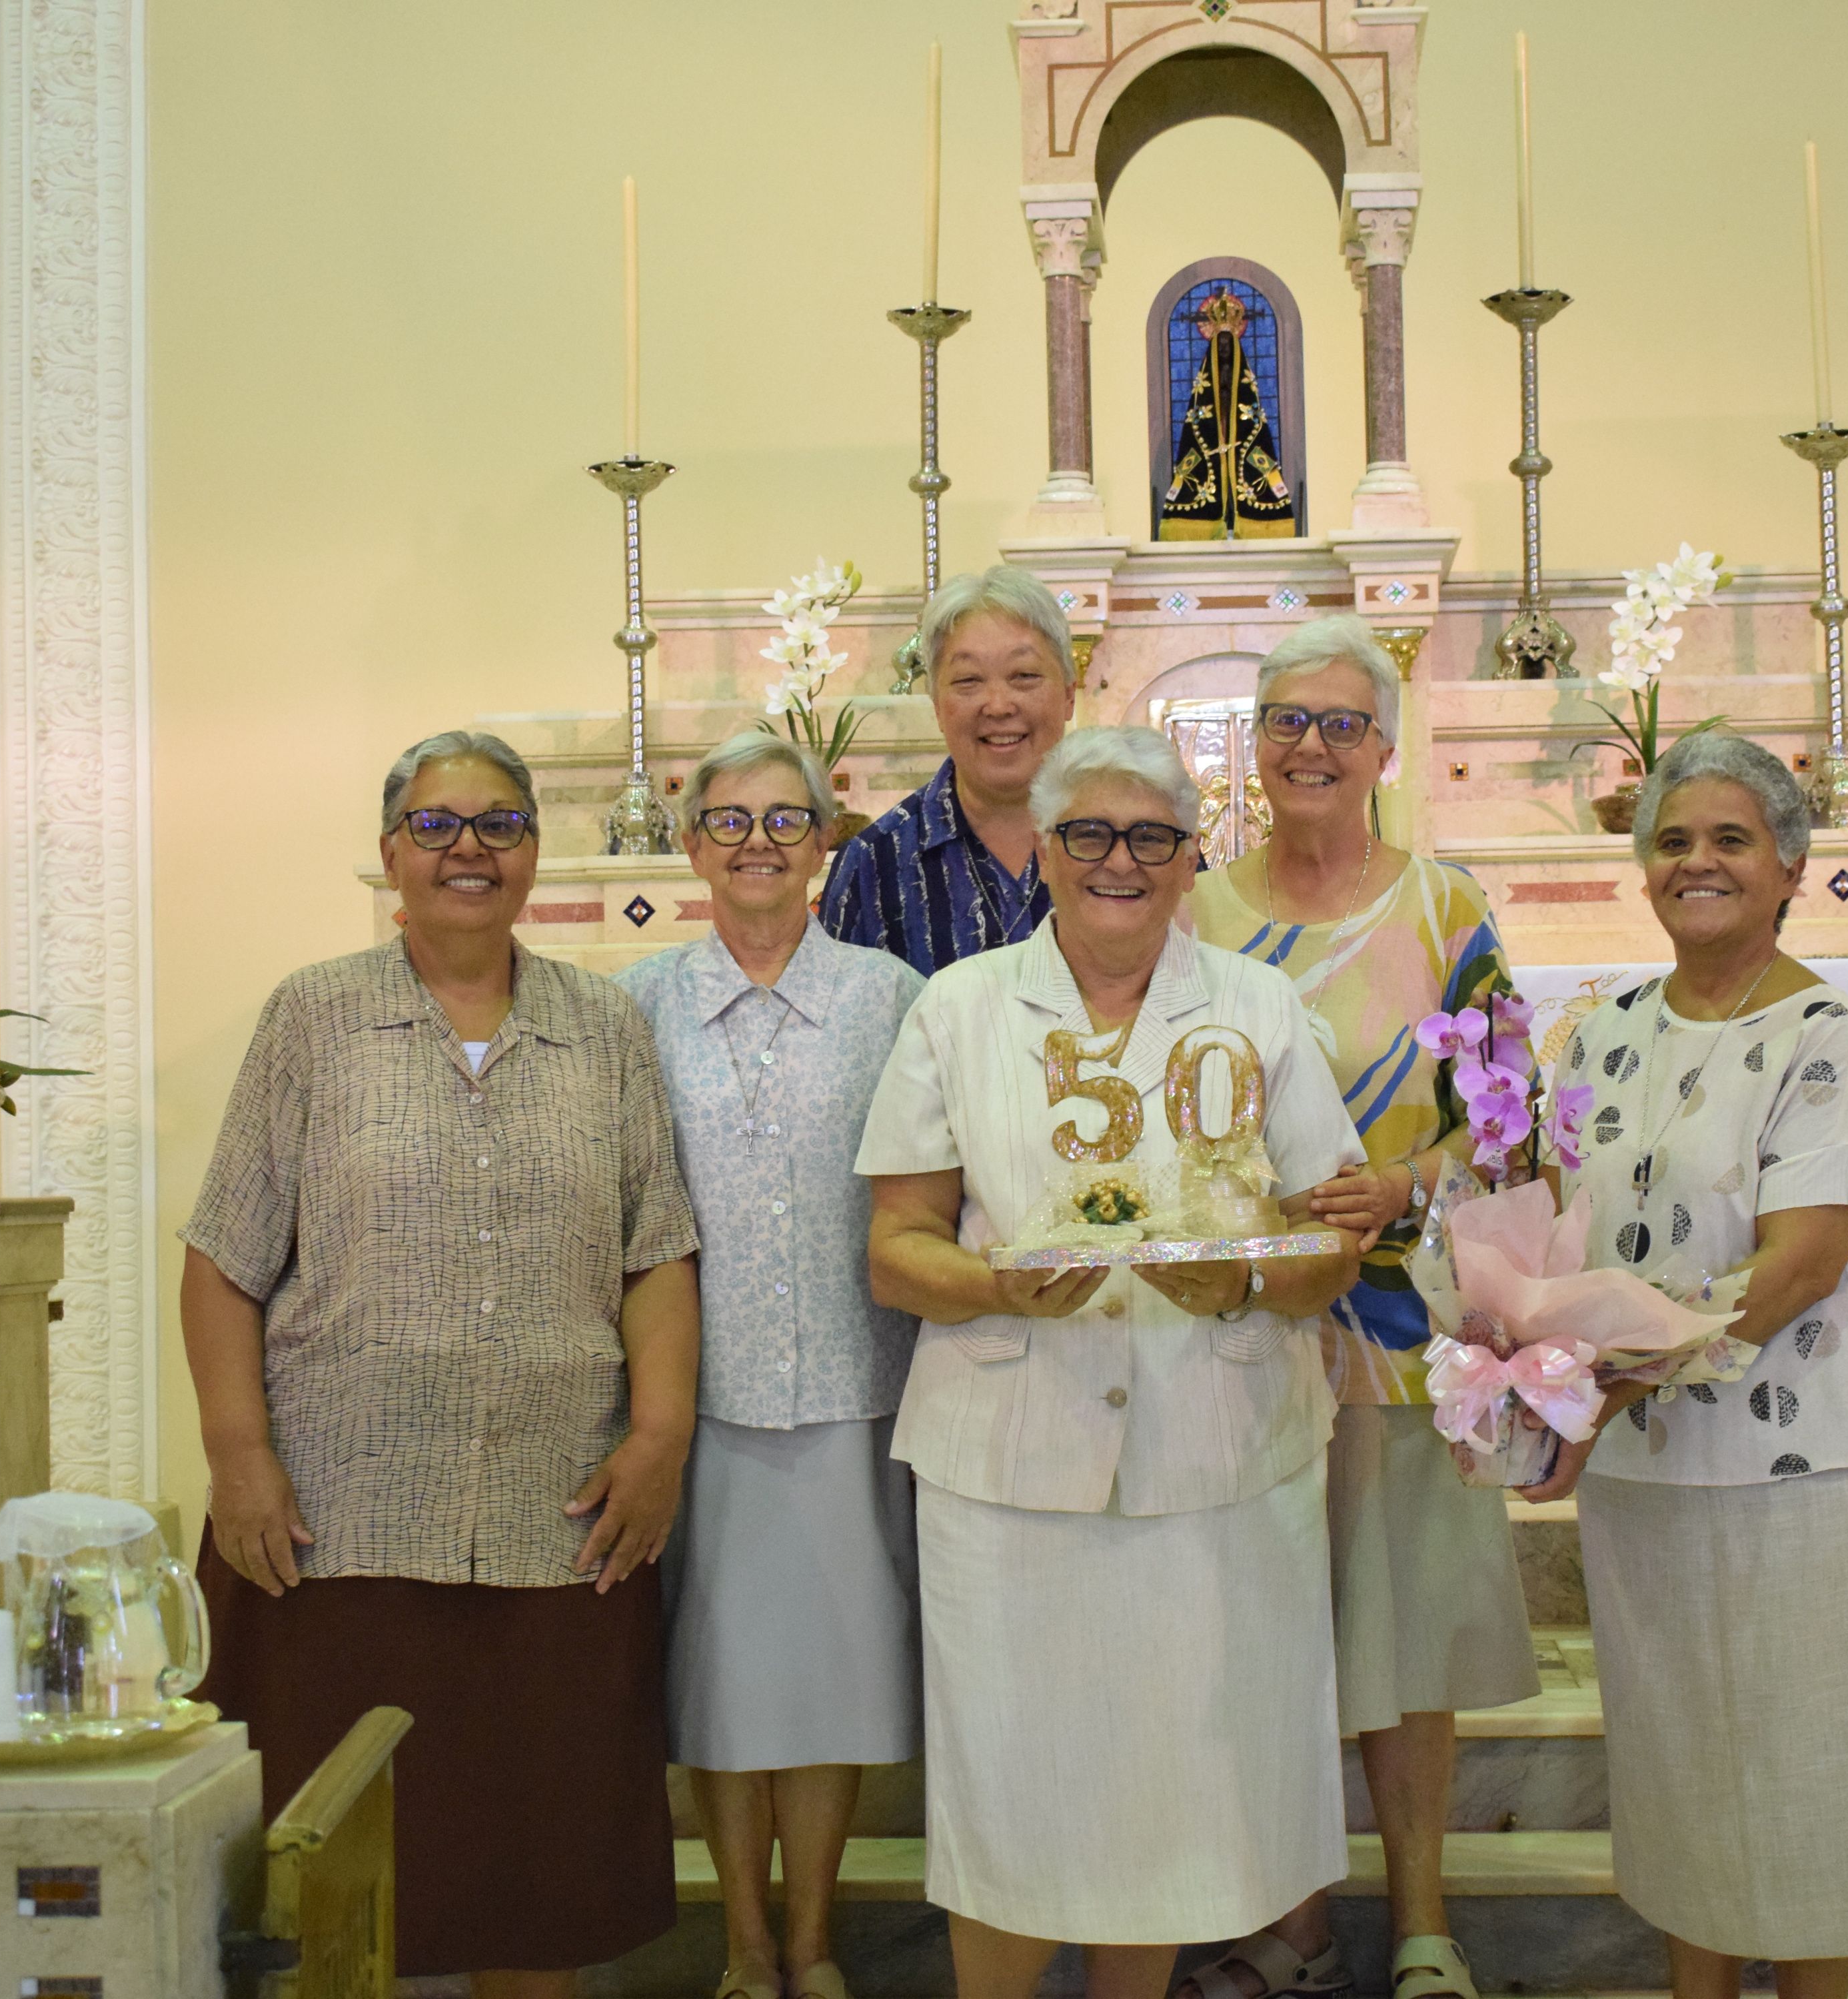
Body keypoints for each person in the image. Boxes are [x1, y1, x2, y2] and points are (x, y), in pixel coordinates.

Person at [181, 730, 702, 1996]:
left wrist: (659, 1438)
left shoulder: (605, 1028)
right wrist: (239, 1457)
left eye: (499, 824)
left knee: (538, 1882)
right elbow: (224, 1258)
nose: (468, 847)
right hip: (336, 1519)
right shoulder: (314, 1016)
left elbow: (657, 1254)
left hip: (556, 1514)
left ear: (533, 853)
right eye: (436, 824)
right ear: (390, 855)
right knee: (323, 1880)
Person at [856, 726, 1366, 1999]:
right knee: (1013, 1798)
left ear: (1195, 858)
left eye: (1152, 837)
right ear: (1045, 848)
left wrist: (1248, 1276)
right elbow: (894, 1248)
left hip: (1218, 1461)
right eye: (1089, 834)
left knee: (1165, 1804)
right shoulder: (960, 1010)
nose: (1119, 862)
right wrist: (993, 1287)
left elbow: (1331, 1241)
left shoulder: (1259, 1009)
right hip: (1010, 1469)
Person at [1523, 730, 1848, 1999]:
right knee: (1680, 1772)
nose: (1695, 863)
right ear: (1642, 870)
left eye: (1729, 841)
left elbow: (1803, 1265)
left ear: (1788, 867)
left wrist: (1612, 1375)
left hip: (1800, 1463)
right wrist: (1531, 1359)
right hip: (1650, 1471)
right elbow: (1558, 1226)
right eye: (1671, 841)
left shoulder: (1830, 1034)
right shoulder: (1599, 1035)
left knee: (1813, 1768)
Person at [1183, 616, 1541, 1999]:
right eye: (1286, 720)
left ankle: (1423, 1922)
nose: (1311, 746)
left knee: (1402, 1637)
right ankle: (1292, 1917)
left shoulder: (1447, 910)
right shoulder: (1197, 912)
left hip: (1399, 1337)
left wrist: (1407, 1186)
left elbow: (1513, 1126)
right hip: (1243, 1337)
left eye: (1340, 724)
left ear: (1387, 749)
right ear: (1252, 746)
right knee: (1263, 1635)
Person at [613, 733, 928, 1999]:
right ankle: (745, 1947)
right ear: (690, 845)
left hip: (856, 1384)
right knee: (720, 1680)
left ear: (825, 840)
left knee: (830, 1680)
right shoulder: (633, 1004)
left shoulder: (890, 996)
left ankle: (815, 1941)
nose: (757, 844)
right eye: (729, 821)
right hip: (695, 1400)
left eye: (785, 820)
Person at [819, 564, 1078, 974]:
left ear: (1068, 694)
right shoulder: (874, 863)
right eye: (968, 680)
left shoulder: (1140, 841)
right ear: (937, 705)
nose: (998, 705)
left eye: (1024, 676)